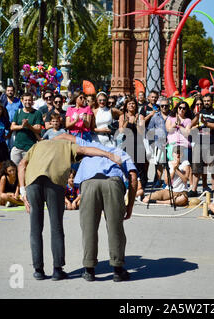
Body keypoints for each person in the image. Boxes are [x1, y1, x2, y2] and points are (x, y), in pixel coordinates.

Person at [18, 137, 123, 281]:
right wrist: (109, 155)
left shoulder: (37, 145)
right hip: (54, 182)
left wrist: (23, 192)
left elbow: (22, 164)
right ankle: (57, 270)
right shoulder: (66, 145)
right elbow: (84, 150)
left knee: (35, 228)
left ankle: (38, 270)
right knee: (56, 227)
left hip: (32, 183)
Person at [53, 133, 138, 282]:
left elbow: (64, 136)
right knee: (115, 227)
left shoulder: (89, 146)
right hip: (112, 182)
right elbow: (133, 178)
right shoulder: (121, 152)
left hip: (89, 182)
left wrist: (45, 143)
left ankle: (89, 269)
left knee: (89, 227)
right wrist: (130, 206)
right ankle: (118, 269)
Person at [189, 93, 214, 196]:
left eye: (208, 101)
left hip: (212, 142)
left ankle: (213, 189)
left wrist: (205, 123)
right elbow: (192, 124)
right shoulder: (199, 112)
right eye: (205, 101)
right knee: (197, 167)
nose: (206, 102)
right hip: (199, 142)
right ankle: (194, 189)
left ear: (212, 102)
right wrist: (197, 117)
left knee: (213, 166)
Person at [118, 96, 147, 189]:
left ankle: (141, 187)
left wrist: (135, 122)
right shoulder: (122, 116)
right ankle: (130, 186)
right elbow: (121, 131)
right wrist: (127, 120)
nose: (131, 105)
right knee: (129, 165)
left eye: (133, 103)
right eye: (129, 103)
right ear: (126, 106)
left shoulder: (140, 116)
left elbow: (141, 132)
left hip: (138, 143)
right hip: (127, 143)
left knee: (140, 166)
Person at [10, 93, 44, 166]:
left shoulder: (37, 113)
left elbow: (38, 129)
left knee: (27, 169)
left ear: (32, 101)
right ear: (22, 101)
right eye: (25, 100)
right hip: (17, 146)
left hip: (30, 147)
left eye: (29, 100)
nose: (27, 102)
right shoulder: (18, 112)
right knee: (14, 168)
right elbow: (12, 127)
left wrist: (28, 125)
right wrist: (22, 126)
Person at [147, 97, 171, 187]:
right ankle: (158, 180)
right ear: (160, 107)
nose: (164, 107)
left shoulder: (172, 115)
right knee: (159, 164)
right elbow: (150, 129)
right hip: (159, 143)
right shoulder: (155, 116)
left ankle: (167, 181)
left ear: (169, 106)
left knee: (169, 164)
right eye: (162, 106)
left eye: (166, 106)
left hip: (171, 143)